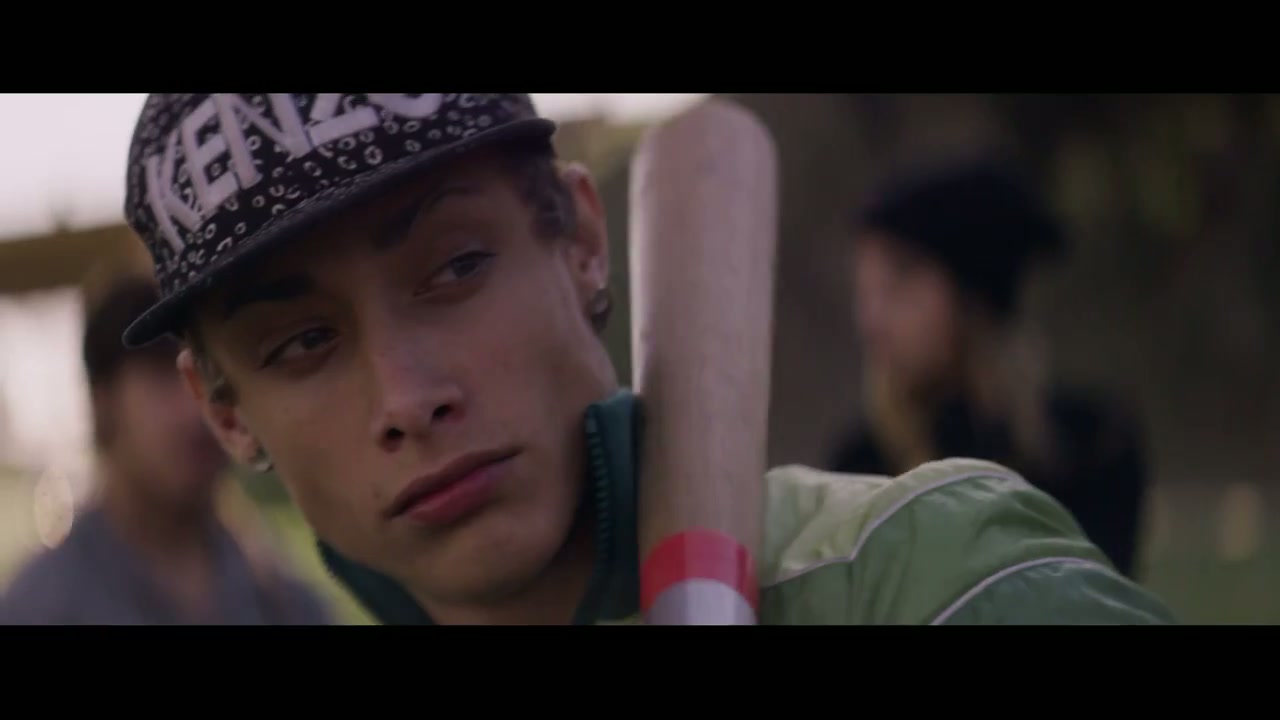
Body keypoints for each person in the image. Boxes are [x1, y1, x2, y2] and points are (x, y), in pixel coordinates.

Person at [111, 93, 1173, 624]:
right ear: (227, 412)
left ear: (580, 241)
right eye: (302, 343)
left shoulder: (932, 577)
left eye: (457, 267)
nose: (406, 397)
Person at [828, 159, 1149, 578]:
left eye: (898, 286)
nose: (870, 321)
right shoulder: (861, 468)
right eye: (865, 292)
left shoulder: (1092, 450)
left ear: (971, 301)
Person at [0, 273, 332, 625]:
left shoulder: (281, 599)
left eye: (209, 377)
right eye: (161, 378)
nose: (195, 411)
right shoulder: (42, 607)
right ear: (103, 405)